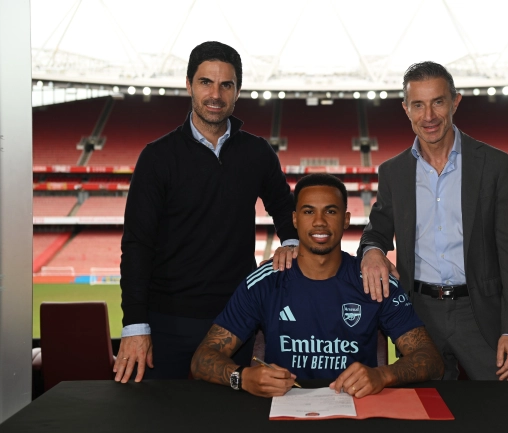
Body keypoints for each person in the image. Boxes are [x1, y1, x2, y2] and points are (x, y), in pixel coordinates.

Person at [113, 41, 299, 382]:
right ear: (189, 85)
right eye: (205, 82)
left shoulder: (257, 152)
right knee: (162, 409)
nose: (215, 94)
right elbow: (137, 245)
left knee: (232, 410)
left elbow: (285, 207)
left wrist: (291, 241)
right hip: (168, 319)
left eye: (226, 85)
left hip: (235, 319)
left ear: (237, 91)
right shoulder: (157, 157)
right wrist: (135, 325)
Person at [191, 174, 443, 397]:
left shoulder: (374, 281)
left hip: (354, 407)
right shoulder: (265, 282)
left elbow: (431, 359)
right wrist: (243, 378)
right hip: (283, 409)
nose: (320, 222)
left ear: (346, 219)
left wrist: (382, 375)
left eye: (330, 211)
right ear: (295, 219)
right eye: (308, 212)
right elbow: (202, 359)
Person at [359, 61, 508, 381]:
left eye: (438, 102)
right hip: (419, 314)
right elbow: (377, 229)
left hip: (480, 313)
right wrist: (372, 251)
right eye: (418, 105)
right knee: (425, 405)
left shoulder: (494, 165)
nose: (429, 116)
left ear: (455, 102)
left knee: (507, 403)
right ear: (406, 109)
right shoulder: (393, 172)